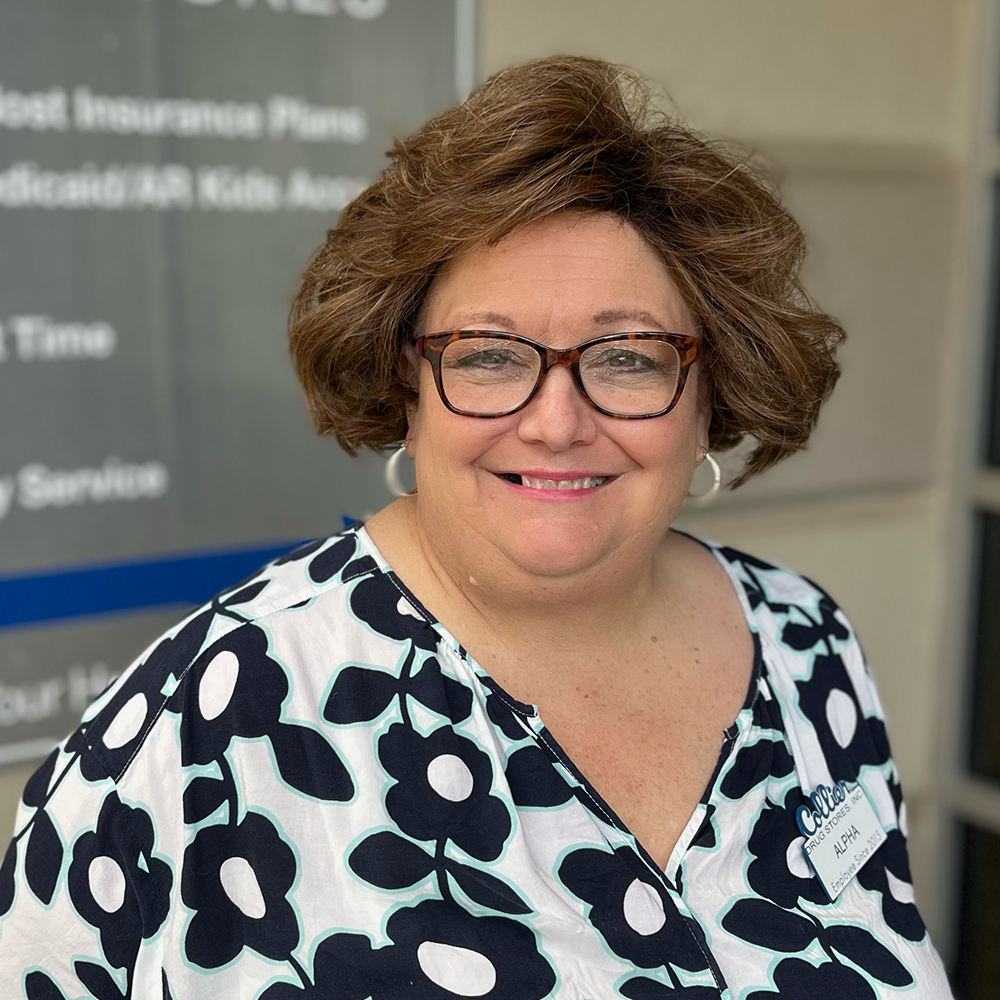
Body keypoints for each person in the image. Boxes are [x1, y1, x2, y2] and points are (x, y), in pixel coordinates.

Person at [0, 56, 952, 999]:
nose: (556, 420)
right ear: (405, 383)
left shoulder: (801, 644)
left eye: (627, 357)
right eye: (491, 355)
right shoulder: (208, 719)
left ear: (711, 395)